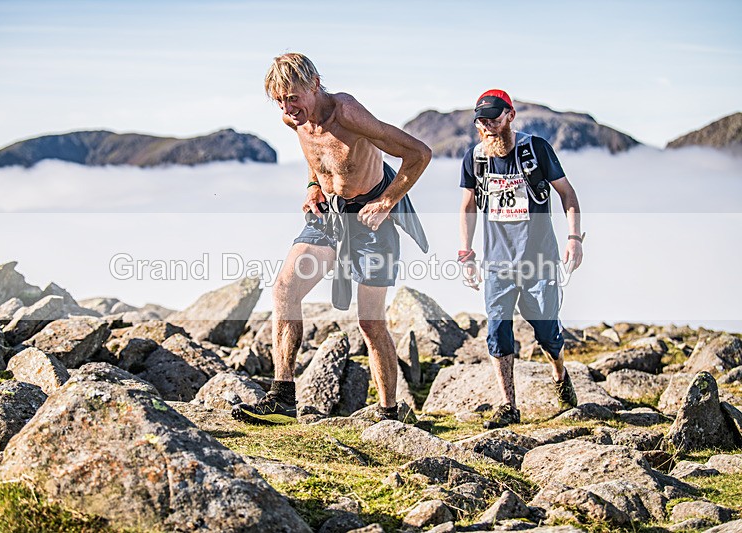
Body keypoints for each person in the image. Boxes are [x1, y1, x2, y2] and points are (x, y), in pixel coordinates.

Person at [232, 53, 431, 424]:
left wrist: (388, 201)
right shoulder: (294, 118)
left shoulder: (348, 113)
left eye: (294, 97)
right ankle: (282, 398)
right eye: (279, 100)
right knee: (285, 290)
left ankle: (389, 414)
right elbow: (316, 154)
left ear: (315, 84)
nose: (288, 107)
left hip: (373, 221)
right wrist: (312, 185)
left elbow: (419, 153)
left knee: (370, 323)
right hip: (330, 216)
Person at [458, 89, 583, 429]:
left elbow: (567, 195)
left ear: (510, 116)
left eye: (493, 120)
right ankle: (508, 405)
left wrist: (574, 238)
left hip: (539, 260)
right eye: (481, 122)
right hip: (497, 262)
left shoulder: (536, 149)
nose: (487, 128)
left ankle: (559, 373)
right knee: (498, 331)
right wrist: (466, 253)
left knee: (547, 334)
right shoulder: (475, 158)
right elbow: (469, 205)